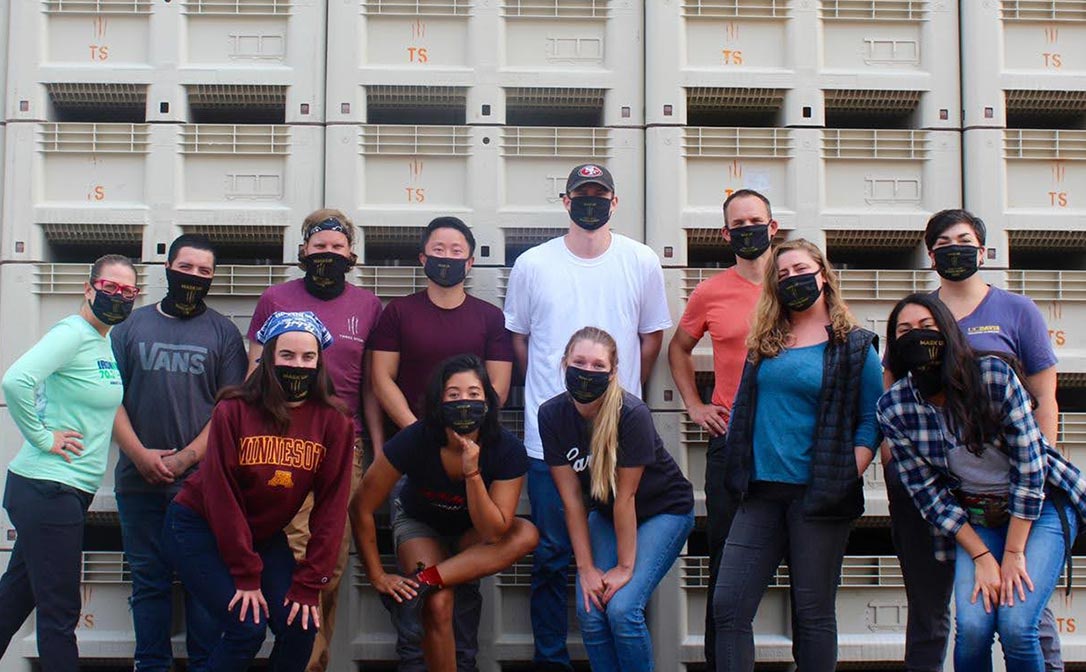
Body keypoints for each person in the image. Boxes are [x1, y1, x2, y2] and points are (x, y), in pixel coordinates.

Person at [504, 163, 672, 671]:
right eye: (582, 195)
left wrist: (612, 400)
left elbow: (651, 338)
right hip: (547, 439)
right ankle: (551, 661)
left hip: (617, 442)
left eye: (600, 195)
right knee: (554, 558)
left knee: (623, 562)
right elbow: (520, 341)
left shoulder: (641, 260)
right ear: (566, 200)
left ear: (615, 203)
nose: (591, 203)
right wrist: (559, 402)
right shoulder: (532, 264)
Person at [884, 208, 1064, 672]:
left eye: (964, 240)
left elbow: (1045, 398)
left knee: (1022, 616)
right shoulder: (917, 313)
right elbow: (895, 395)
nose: (954, 249)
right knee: (967, 620)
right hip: (959, 498)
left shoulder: (1014, 317)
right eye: (942, 242)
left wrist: (1038, 472)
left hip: (1025, 492)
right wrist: (895, 458)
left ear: (983, 250)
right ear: (929, 254)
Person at [713, 239, 882, 671]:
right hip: (760, 494)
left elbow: (871, 419)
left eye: (801, 270)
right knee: (729, 607)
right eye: (783, 275)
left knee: (813, 616)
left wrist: (847, 472)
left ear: (823, 275)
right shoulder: (765, 342)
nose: (794, 280)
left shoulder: (855, 346)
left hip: (819, 497)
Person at [162, 311, 354, 672]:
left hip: (262, 536)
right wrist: (246, 575)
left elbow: (331, 509)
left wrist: (310, 582)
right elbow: (222, 495)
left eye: (308, 357)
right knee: (245, 627)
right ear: (268, 359)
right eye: (287, 356)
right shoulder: (234, 410)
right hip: (198, 528)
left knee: (301, 625)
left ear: (320, 362)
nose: (298, 365)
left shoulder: (334, 421)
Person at [368, 216, 514, 670]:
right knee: (420, 594)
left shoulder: (491, 318)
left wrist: (461, 437)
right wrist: (422, 434)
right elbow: (381, 378)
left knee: (463, 587)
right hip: (411, 466)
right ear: (422, 257)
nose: (446, 258)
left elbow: (497, 388)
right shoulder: (398, 313)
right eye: (438, 249)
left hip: (475, 467)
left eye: (456, 251)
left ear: (470, 261)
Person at [247, 209, 383, 672]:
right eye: (319, 247)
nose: (328, 255)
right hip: (281, 441)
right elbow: (254, 373)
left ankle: (311, 661)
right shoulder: (275, 299)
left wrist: (377, 448)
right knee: (296, 557)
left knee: (329, 564)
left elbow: (368, 385)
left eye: (337, 248)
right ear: (303, 251)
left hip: (346, 448)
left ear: (351, 255)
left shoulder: (368, 306)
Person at [110, 234, 248, 672]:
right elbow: (107, 397)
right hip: (138, 483)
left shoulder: (224, 333)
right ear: (167, 268)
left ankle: (205, 665)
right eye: (185, 268)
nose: (193, 277)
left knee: (201, 584)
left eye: (204, 272)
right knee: (148, 582)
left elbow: (230, 410)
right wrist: (139, 455)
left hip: (202, 487)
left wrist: (185, 459)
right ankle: (150, 665)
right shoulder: (130, 327)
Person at [352, 354, 538, 672]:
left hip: (472, 532)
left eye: (473, 395)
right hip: (421, 523)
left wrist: (472, 474)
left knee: (526, 532)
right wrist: (377, 575)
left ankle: (424, 582)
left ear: (489, 401)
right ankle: (430, 589)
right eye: (453, 395)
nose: (464, 403)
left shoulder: (507, 449)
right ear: (439, 401)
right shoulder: (415, 438)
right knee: (439, 603)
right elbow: (361, 506)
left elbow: (494, 532)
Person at [0, 255, 137, 671]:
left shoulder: (103, 341)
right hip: (48, 486)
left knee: (15, 598)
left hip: (63, 491)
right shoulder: (73, 333)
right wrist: (43, 437)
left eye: (127, 291)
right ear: (89, 287)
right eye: (109, 287)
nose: (117, 296)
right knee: (60, 611)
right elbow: (16, 380)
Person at [666, 188, 776, 666]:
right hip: (731, 441)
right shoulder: (711, 291)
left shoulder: (797, 282)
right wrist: (695, 404)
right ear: (725, 234)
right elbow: (678, 349)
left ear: (773, 228)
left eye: (757, 220)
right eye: (738, 223)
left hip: (792, 443)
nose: (748, 229)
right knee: (725, 565)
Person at [543, 327, 694, 671]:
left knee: (623, 608)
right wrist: (586, 569)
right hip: (607, 513)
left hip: (663, 510)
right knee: (590, 606)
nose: (587, 371)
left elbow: (626, 497)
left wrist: (625, 568)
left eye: (598, 365)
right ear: (564, 363)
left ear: (613, 373)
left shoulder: (632, 413)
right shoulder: (551, 415)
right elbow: (572, 501)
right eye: (579, 361)